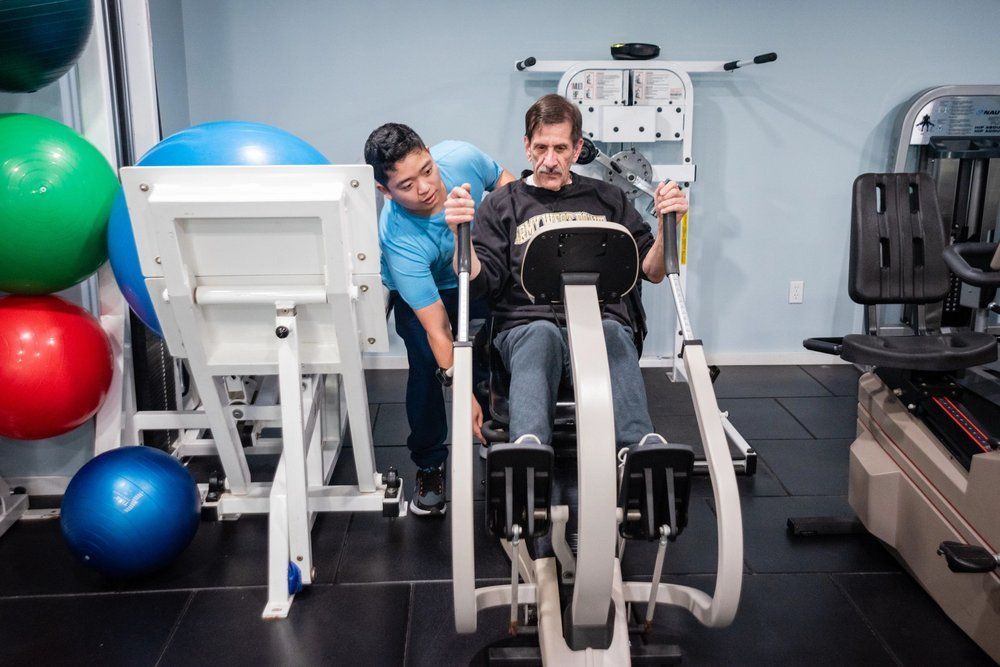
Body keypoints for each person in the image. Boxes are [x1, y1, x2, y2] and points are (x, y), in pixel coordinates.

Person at [443, 94, 688, 448]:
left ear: (577, 149)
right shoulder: (502, 205)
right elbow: (481, 281)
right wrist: (460, 235)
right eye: (541, 147)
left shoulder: (609, 199)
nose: (550, 161)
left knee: (613, 333)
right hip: (525, 327)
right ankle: (527, 449)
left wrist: (667, 227)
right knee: (540, 334)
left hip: (600, 324)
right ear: (527, 147)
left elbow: (651, 270)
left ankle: (639, 449)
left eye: (560, 148)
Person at [364, 123, 515, 515]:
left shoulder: (461, 157)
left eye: (427, 171)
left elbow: (506, 184)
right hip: (426, 293)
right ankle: (430, 465)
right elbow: (438, 329)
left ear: (431, 153)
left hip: (478, 270)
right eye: (407, 185)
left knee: (493, 355)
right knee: (430, 369)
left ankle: (495, 436)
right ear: (385, 191)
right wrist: (460, 396)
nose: (426, 188)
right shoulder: (399, 239)